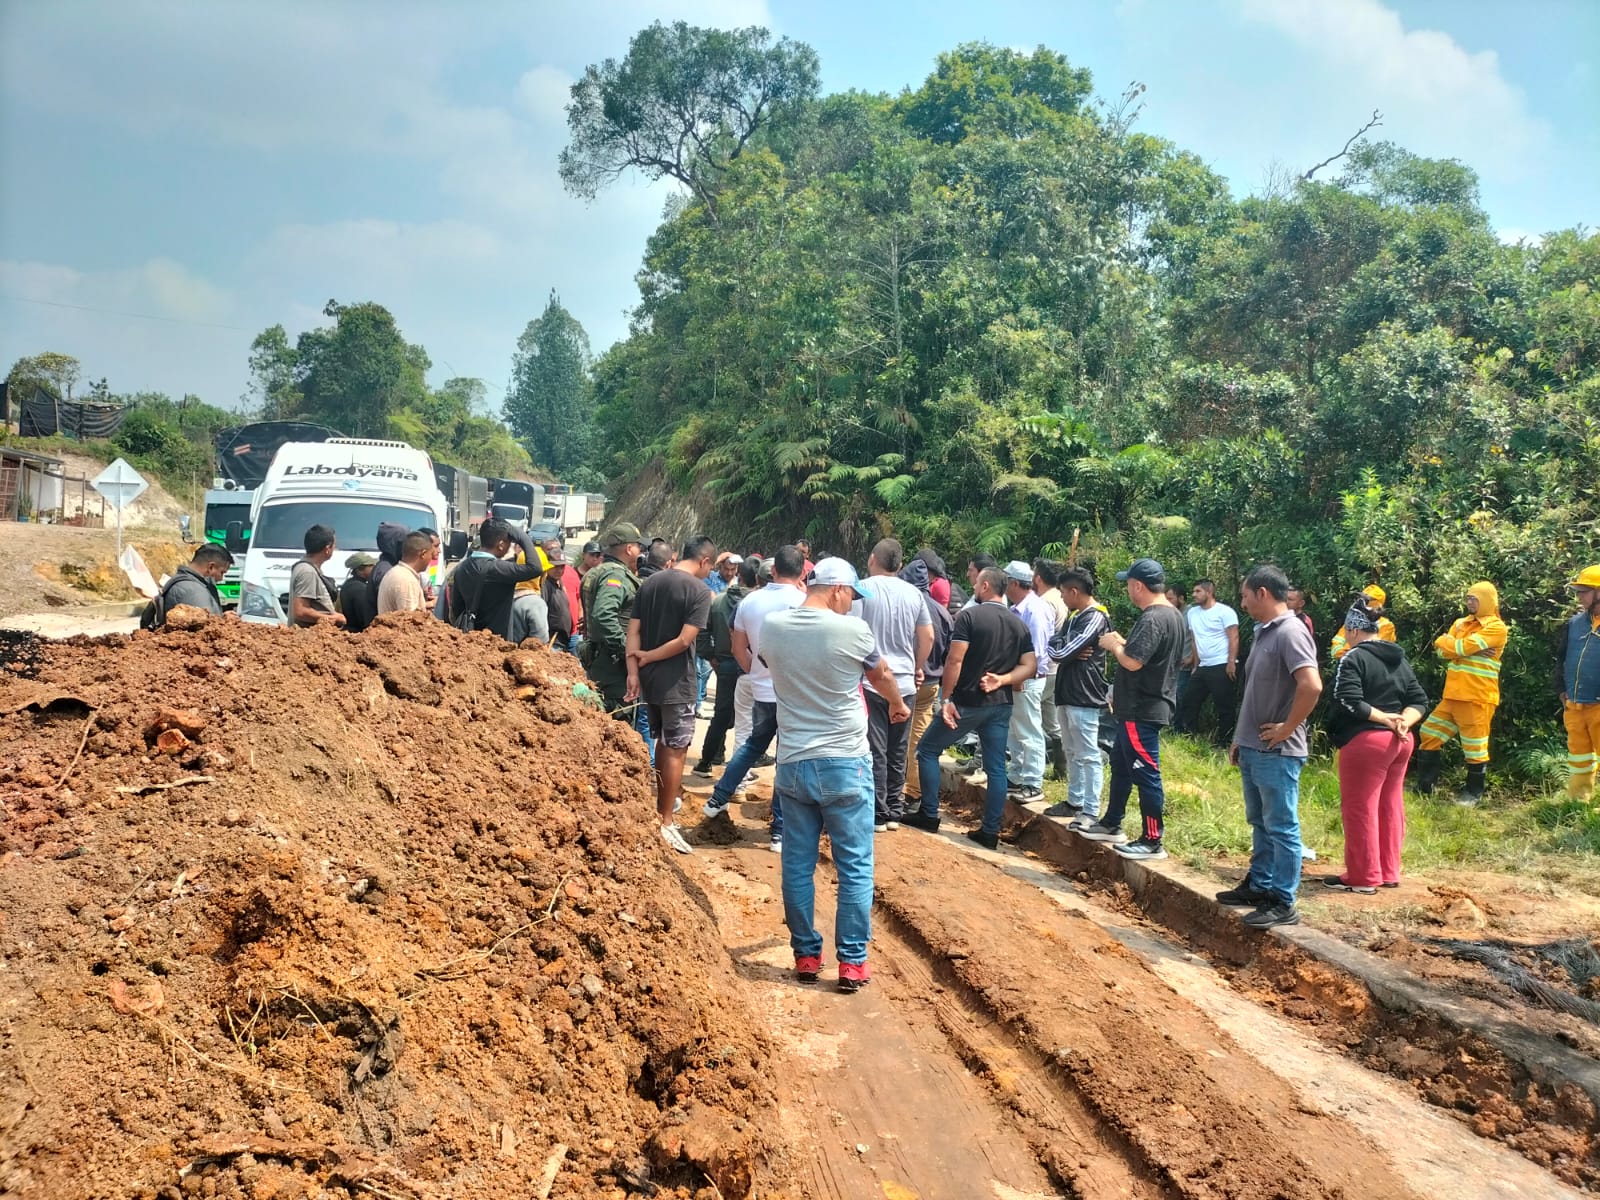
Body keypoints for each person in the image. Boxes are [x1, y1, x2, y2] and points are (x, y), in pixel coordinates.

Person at [761, 558, 908, 993]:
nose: (852, 605)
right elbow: (879, 676)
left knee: (797, 864)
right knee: (855, 865)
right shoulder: (853, 633)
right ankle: (852, 963)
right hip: (845, 761)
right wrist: (898, 705)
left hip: (793, 762)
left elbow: (775, 668)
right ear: (839, 589)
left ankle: (806, 955)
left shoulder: (772, 626)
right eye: (852, 597)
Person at [905, 566, 1035, 850]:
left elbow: (955, 660)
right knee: (997, 768)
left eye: (977, 583)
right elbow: (1030, 666)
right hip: (1000, 703)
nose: (974, 587)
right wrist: (1002, 679)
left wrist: (947, 698)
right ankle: (989, 832)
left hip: (967, 701)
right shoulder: (1019, 625)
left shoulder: (970, 616)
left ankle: (928, 812)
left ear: (986, 586)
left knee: (927, 750)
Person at [1223, 565, 1323, 929]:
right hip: (1254, 746)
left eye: (1245, 595)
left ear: (1262, 593)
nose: (1243, 603)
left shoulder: (1291, 632)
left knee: (1281, 825)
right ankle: (1259, 885)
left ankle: (1282, 900)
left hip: (1277, 750)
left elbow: (1311, 685)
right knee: (1260, 822)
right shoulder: (1264, 631)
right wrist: (1239, 737)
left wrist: (1287, 728)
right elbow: (1253, 692)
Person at [702, 545, 808, 851]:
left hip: (762, 689)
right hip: (793, 693)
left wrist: (757, 672)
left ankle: (718, 798)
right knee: (786, 758)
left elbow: (738, 648)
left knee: (751, 745)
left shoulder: (750, 602)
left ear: (772, 571)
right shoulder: (805, 602)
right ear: (802, 572)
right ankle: (778, 831)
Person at [1319, 600, 1429, 895]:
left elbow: (1347, 699)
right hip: (1401, 741)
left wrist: (1384, 719)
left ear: (1354, 629)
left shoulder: (1352, 658)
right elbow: (1420, 699)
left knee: (1360, 807)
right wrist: (1404, 721)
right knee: (1390, 804)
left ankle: (1364, 875)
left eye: (1346, 630)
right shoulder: (1398, 659)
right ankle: (1388, 871)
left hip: (1367, 741)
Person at [1079, 559, 1184, 857]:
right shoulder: (1172, 615)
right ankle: (1112, 821)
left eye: (1128, 584)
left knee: (1146, 771)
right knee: (1121, 765)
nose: (1128, 590)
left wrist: (1114, 646)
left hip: (1143, 709)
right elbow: (1146, 655)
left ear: (1138, 585)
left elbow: (1133, 661)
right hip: (1137, 707)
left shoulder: (1153, 618)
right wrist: (1123, 642)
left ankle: (1152, 839)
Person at [627, 535, 716, 855]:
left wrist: (635, 670)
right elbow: (684, 641)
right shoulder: (698, 591)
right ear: (704, 561)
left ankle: (662, 810)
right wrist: (649, 657)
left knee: (663, 741)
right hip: (676, 680)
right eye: (711, 566)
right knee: (676, 747)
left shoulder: (648, 583)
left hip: (650, 681)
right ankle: (665, 820)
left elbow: (633, 631)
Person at [860, 539, 934, 831]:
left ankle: (877, 811)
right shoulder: (914, 594)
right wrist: (917, 666)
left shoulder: (861, 589)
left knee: (875, 747)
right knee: (899, 748)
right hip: (905, 683)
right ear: (900, 565)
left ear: (871, 559)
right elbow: (927, 636)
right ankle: (894, 808)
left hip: (872, 681)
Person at [1413, 582, 1509, 806]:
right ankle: (1425, 788)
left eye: (1474, 598)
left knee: (1475, 747)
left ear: (1487, 600)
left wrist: (1454, 645)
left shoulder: (1497, 627)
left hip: (1477, 697)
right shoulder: (1460, 622)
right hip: (1452, 696)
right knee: (1429, 733)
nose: (1469, 602)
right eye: (1467, 598)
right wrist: (1453, 645)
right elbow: (1441, 650)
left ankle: (1473, 794)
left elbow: (1458, 649)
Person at [1043, 567, 1111, 821]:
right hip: (1067, 690)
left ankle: (1090, 810)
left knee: (1088, 753)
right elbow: (1054, 643)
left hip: (1084, 693)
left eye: (1062, 593)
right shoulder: (1074, 616)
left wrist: (1066, 650)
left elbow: (1060, 652)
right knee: (1071, 749)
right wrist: (1067, 650)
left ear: (1074, 591)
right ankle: (1074, 801)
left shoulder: (1095, 617)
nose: (1061, 598)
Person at [580, 523, 650, 745]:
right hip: (613, 664)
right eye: (638, 547)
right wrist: (626, 650)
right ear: (629, 549)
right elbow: (603, 616)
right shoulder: (616, 576)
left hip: (600, 657)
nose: (640, 552)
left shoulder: (598, 571)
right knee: (617, 727)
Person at [898, 553, 954, 816]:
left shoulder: (903, 606)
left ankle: (889, 788)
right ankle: (912, 792)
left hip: (903, 680)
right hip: (931, 683)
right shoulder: (943, 612)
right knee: (917, 739)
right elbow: (949, 652)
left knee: (893, 737)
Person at [693, 555, 756, 777]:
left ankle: (707, 760)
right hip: (752, 666)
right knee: (750, 717)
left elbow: (701, 631)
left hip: (725, 665)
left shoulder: (718, 600)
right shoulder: (757, 604)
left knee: (721, 714)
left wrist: (710, 656)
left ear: (739, 574)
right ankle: (744, 767)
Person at [1003, 560, 1054, 802]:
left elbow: (1039, 650)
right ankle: (1016, 775)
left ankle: (1033, 781)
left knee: (1029, 730)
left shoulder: (1035, 610)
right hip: (1018, 676)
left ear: (1014, 583)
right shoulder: (1017, 608)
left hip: (1028, 678)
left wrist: (1022, 675)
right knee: (1016, 729)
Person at [445, 518, 544, 641]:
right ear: (501, 545)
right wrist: (522, 537)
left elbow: (455, 608)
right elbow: (535, 568)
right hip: (495, 642)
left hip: (469, 640)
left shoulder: (461, 567)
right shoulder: (498, 569)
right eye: (510, 543)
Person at [1177, 579, 1240, 745]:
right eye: (1193, 591)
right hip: (1203, 665)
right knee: (1189, 700)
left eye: (1198, 591)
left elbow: (1233, 636)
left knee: (1224, 704)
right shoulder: (1193, 613)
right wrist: (1196, 665)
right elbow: (1194, 639)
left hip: (1221, 663)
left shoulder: (1225, 612)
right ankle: (1190, 735)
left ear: (1209, 592)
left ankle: (1224, 741)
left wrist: (1231, 661)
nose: (1194, 595)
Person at [1561, 564, 1600, 801]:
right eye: (1577, 591)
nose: (1579, 596)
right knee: (1578, 757)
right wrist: (1561, 690)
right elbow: (1561, 658)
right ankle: (1578, 803)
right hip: (1575, 706)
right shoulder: (1575, 623)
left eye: (1584, 591)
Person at [1033, 559, 1070, 782]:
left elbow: (1041, 637)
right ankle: (1061, 769)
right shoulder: (1060, 598)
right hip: (1056, 668)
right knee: (1052, 721)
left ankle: (1032, 773)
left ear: (1038, 578)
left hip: (1044, 668)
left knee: (1029, 719)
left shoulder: (1045, 602)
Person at [150, 543, 232, 625]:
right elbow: (207, 628)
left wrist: (222, 617)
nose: (221, 578)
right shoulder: (193, 591)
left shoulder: (188, 584)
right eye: (222, 572)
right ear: (211, 567)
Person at [290, 525, 345, 628]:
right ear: (327, 548)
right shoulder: (307, 572)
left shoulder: (305, 568)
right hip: (310, 638)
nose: (335, 549)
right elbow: (300, 611)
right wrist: (334, 618)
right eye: (334, 545)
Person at [1330, 585, 1397, 659]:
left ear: (1377, 603)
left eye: (1366, 599)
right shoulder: (1353, 621)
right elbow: (1335, 649)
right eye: (1361, 598)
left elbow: (1372, 651)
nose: (1361, 601)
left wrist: (1348, 653)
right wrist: (1347, 654)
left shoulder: (1386, 625)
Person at [375, 530, 433, 614]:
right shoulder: (407, 580)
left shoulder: (395, 572)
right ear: (423, 554)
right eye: (430, 554)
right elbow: (411, 622)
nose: (431, 559)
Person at [508, 544, 551, 645]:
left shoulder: (508, 596)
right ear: (541, 575)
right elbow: (540, 640)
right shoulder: (535, 604)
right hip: (524, 658)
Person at [542, 540, 574, 650]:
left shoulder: (559, 583)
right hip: (552, 642)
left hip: (563, 641)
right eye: (555, 566)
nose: (559, 570)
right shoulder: (545, 585)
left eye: (562, 567)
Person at [338, 552, 378, 633]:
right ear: (360, 570)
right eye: (370, 565)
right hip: (357, 633)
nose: (374, 568)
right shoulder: (360, 589)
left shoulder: (349, 584)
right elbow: (364, 618)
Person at [368, 522, 409, 596]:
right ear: (395, 545)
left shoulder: (389, 565)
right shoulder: (386, 571)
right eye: (405, 544)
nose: (408, 548)